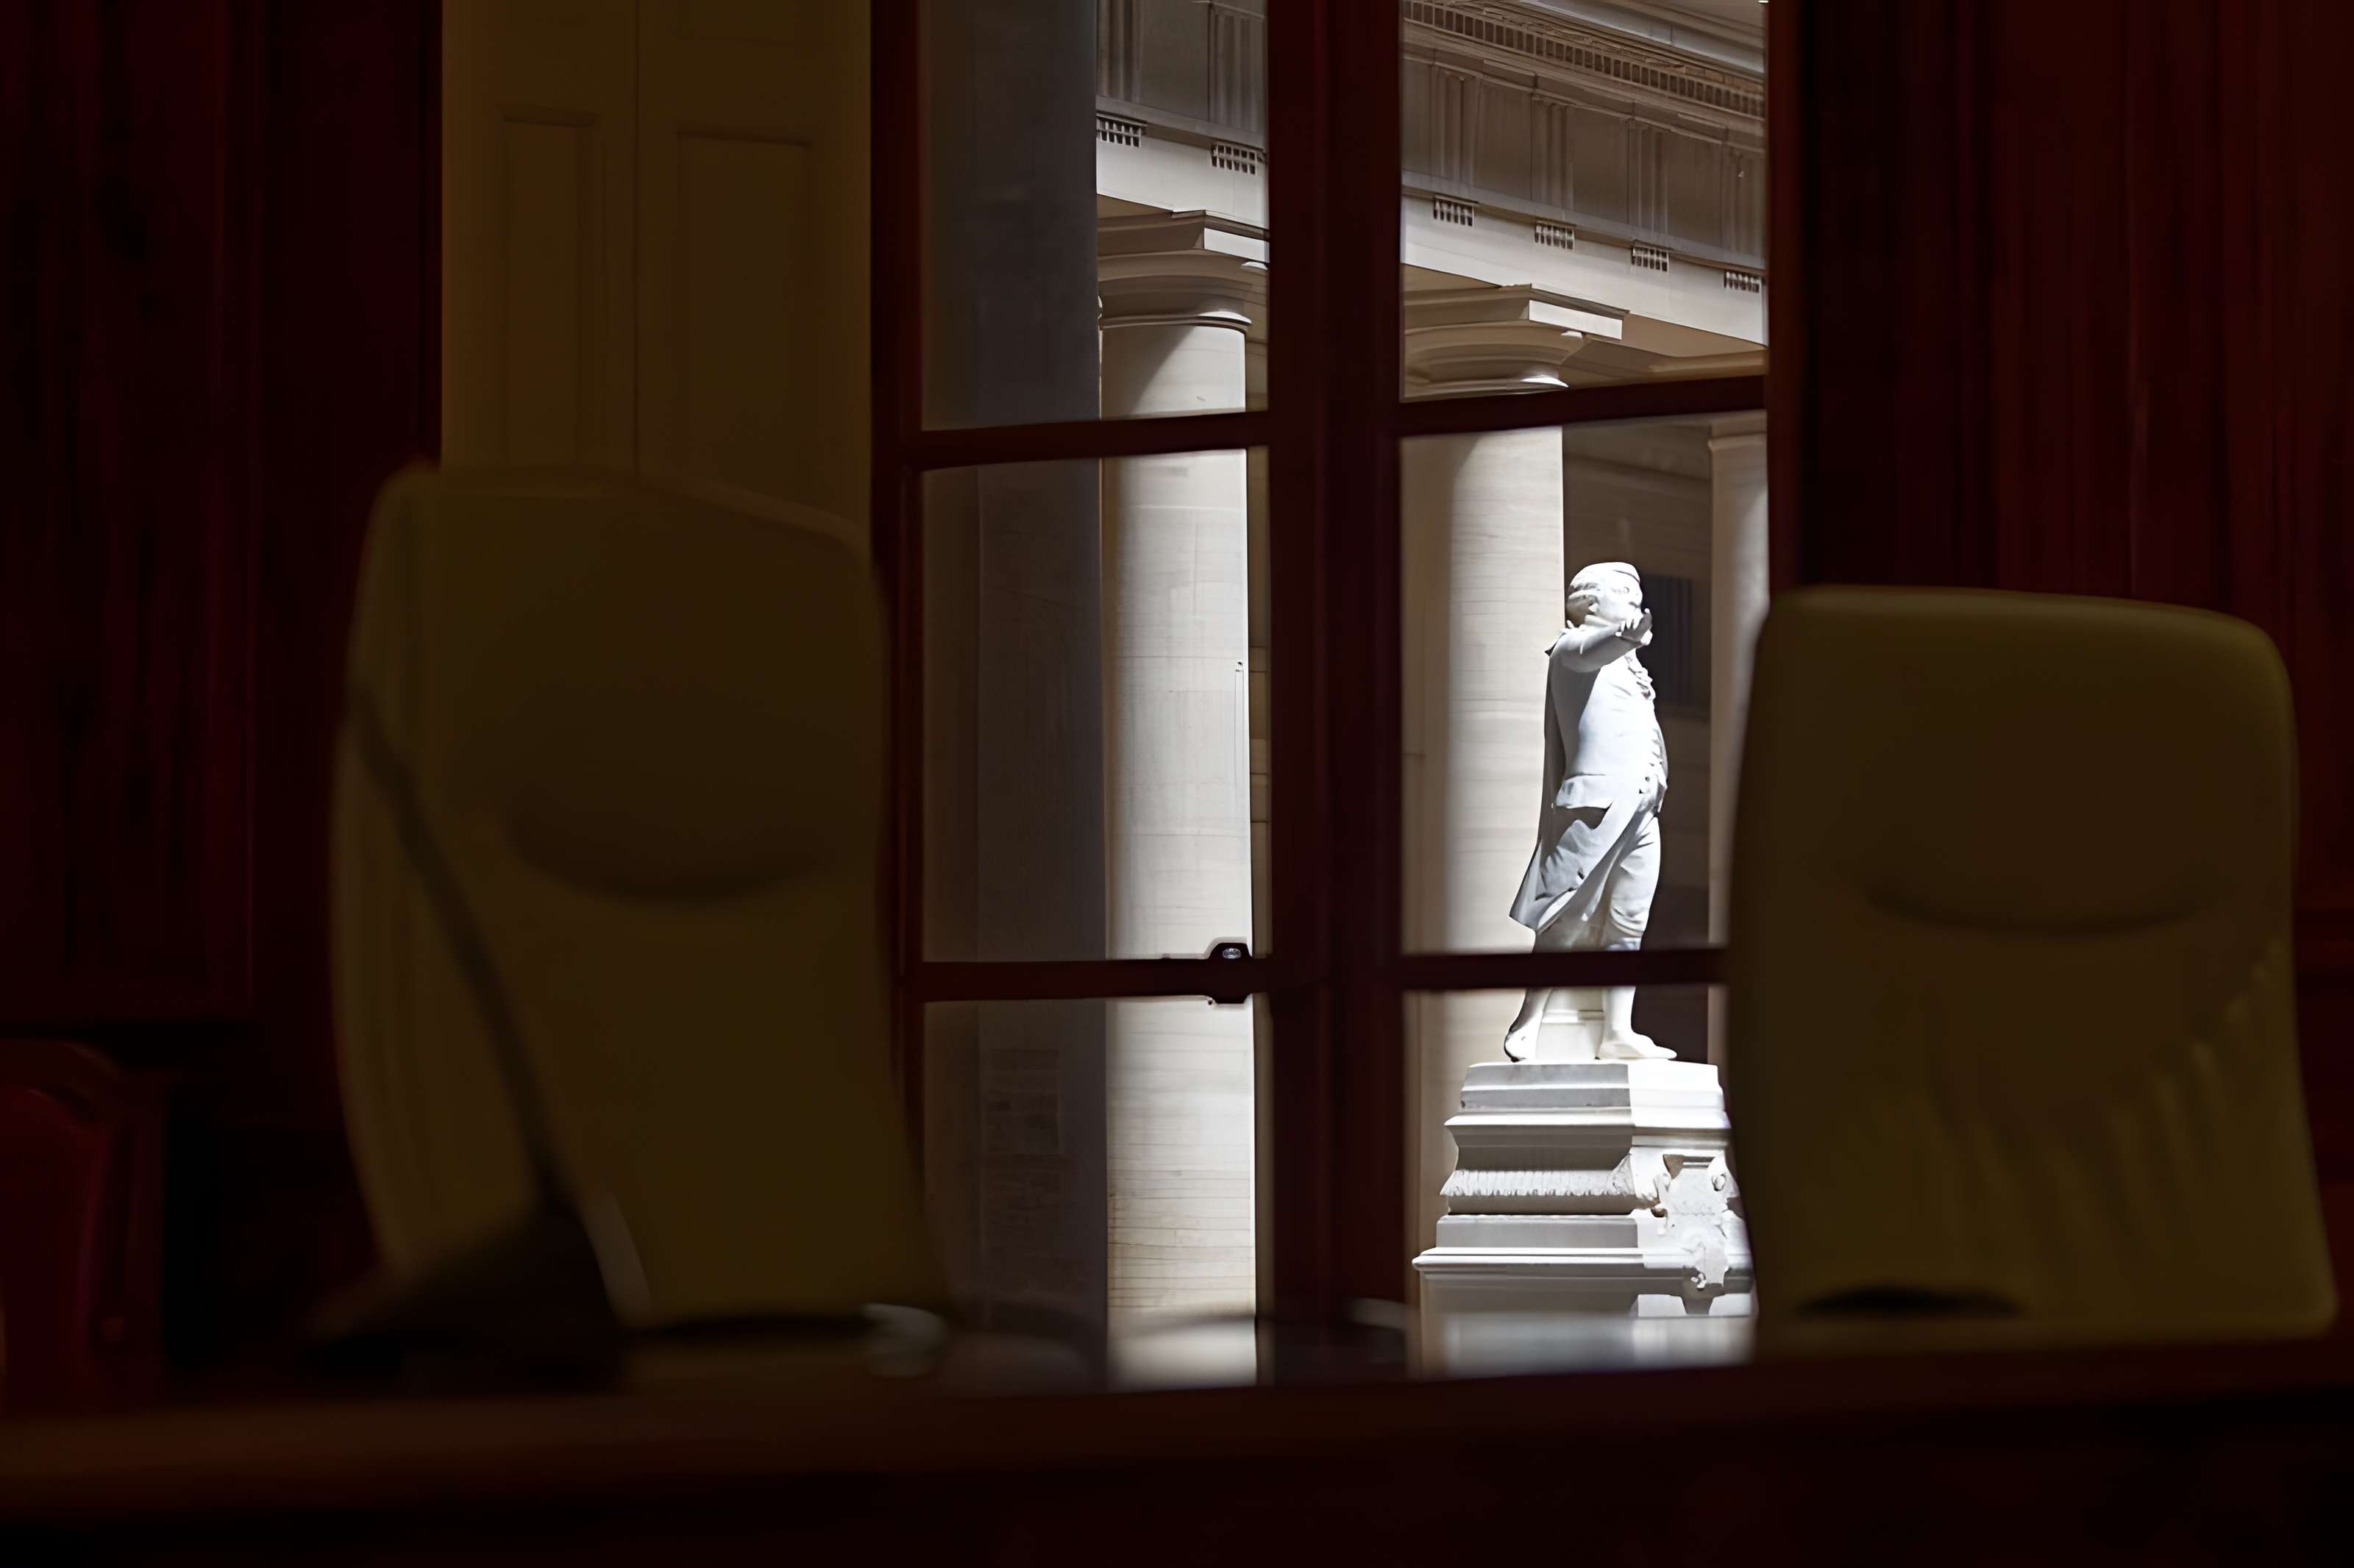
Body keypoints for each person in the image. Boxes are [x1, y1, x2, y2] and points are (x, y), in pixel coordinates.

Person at [1502, 560, 1673, 1062]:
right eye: (1625, 593)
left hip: (1642, 809)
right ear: (1592, 603)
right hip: (1596, 806)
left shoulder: (1630, 668)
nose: (1636, 601)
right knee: (1567, 914)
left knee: (1629, 922)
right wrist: (1625, 636)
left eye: (1637, 594)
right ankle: (1528, 1020)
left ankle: (1618, 1031)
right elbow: (1594, 649)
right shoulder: (1572, 648)